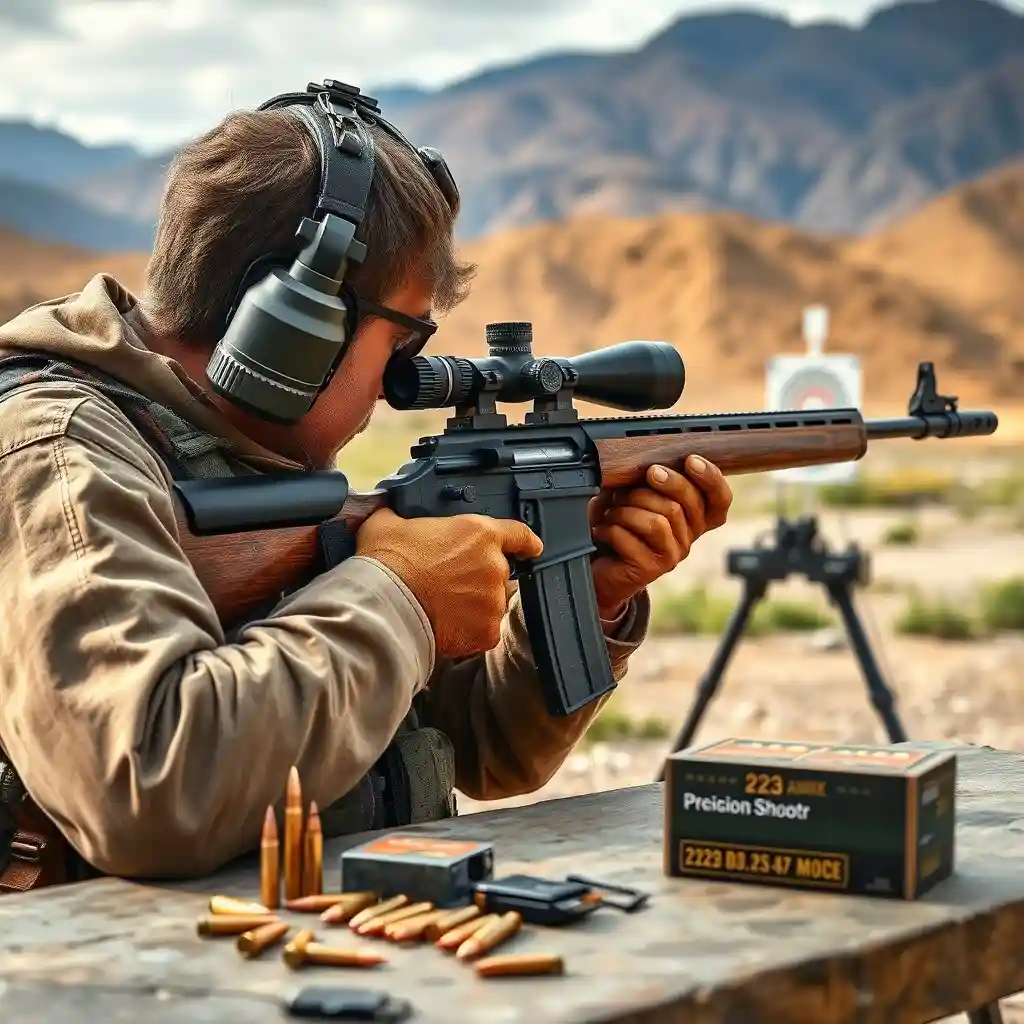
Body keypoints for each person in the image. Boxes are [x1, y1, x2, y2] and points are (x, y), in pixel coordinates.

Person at [0, 83, 732, 891]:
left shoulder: (258, 461)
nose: (400, 381)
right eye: (406, 338)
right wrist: (399, 596)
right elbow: (145, 785)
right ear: (295, 322)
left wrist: (590, 596)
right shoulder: (56, 454)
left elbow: (487, 754)